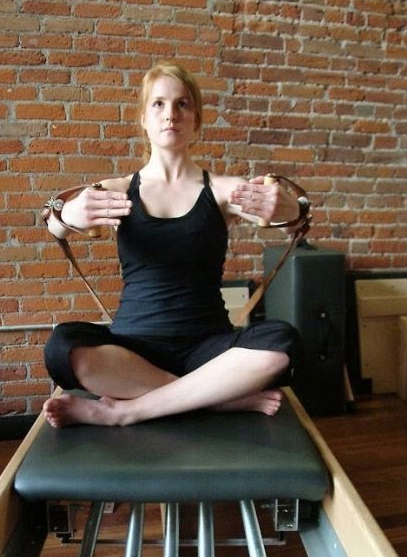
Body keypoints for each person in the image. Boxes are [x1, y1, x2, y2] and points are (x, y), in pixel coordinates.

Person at [43, 62, 303, 429]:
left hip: (210, 350)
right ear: (144, 119)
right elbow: (54, 224)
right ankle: (216, 400)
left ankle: (126, 411)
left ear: (196, 119)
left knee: (282, 343)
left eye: (182, 104)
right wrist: (68, 213)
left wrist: (288, 206)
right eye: (159, 104)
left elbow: (295, 218)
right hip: (133, 351)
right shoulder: (117, 190)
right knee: (62, 347)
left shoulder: (222, 191)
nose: (171, 115)